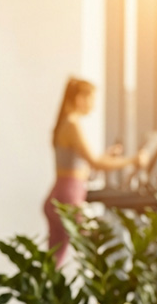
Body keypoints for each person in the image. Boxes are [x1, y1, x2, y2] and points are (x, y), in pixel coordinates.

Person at [44, 77, 148, 266]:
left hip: (61, 194)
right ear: (79, 98)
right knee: (96, 250)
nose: (93, 104)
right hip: (68, 198)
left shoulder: (67, 123)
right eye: (91, 98)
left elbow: (84, 164)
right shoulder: (72, 125)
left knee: (54, 260)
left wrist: (108, 155)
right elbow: (96, 163)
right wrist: (133, 160)